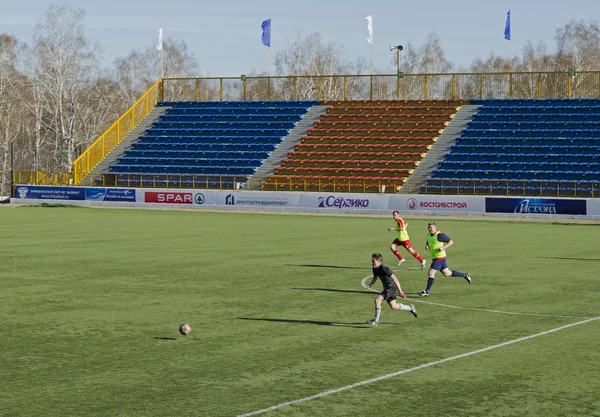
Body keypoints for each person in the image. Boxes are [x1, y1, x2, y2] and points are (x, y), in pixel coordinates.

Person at [418, 222, 471, 297]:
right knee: (447, 273)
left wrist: (443, 248)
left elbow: (451, 242)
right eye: (428, 228)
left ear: (435, 228)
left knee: (431, 273)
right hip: (435, 257)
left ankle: (427, 291)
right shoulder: (429, 235)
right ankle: (464, 275)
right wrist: (426, 246)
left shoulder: (440, 235)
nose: (429, 229)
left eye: (430, 228)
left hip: (440, 257)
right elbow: (428, 242)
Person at [365, 253, 418, 326]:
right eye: (372, 260)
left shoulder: (385, 268)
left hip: (391, 287)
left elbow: (395, 279)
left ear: (379, 262)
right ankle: (410, 308)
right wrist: (370, 284)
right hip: (387, 288)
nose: (372, 262)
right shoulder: (374, 268)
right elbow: (375, 277)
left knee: (377, 300)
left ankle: (376, 321)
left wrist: (400, 291)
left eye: (374, 261)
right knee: (394, 306)